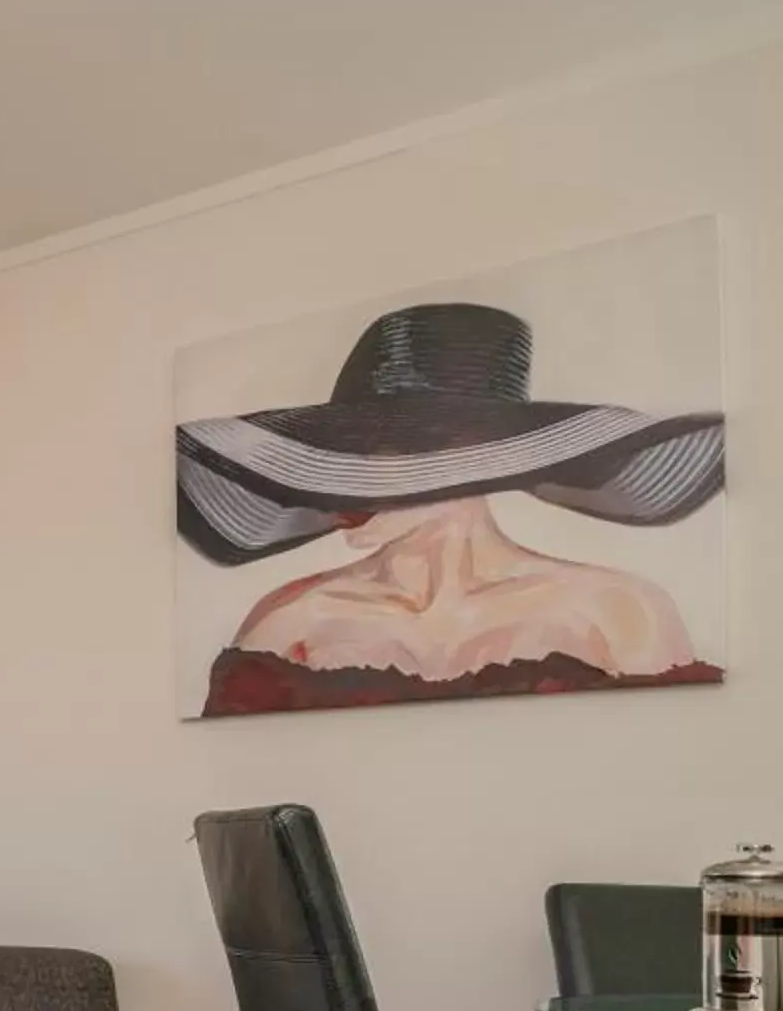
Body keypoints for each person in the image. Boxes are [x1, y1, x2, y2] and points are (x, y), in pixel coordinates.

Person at [177, 301, 723, 715]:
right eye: (342, 453)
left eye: (384, 450)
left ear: (476, 458)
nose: (344, 482)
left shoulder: (619, 609)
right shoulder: (287, 621)